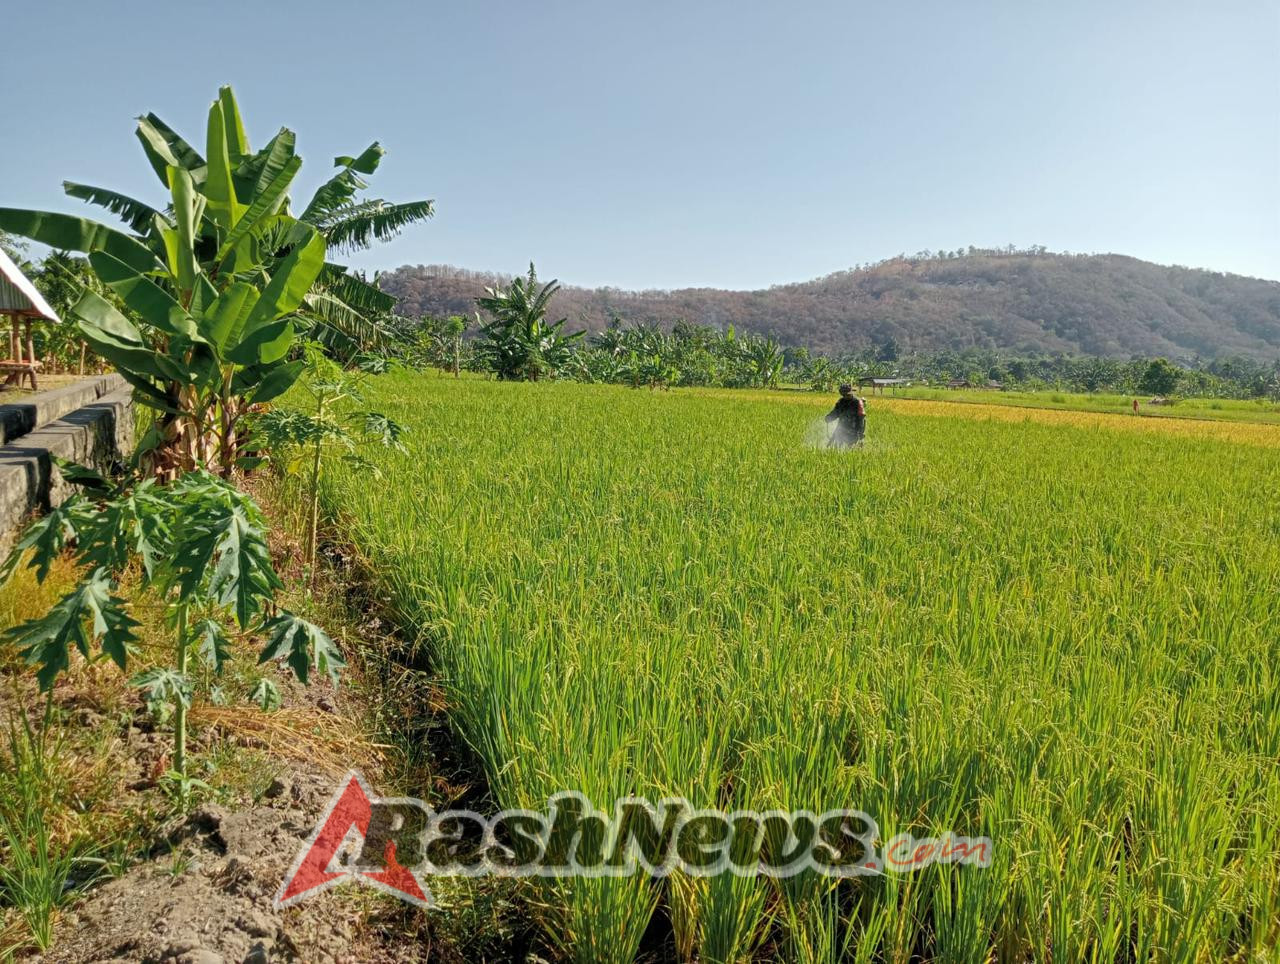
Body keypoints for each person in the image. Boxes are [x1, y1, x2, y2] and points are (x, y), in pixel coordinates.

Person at [825, 383, 866, 448]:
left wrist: (860, 432)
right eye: (844, 395)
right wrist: (829, 418)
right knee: (836, 446)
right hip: (841, 428)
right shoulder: (841, 402)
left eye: (847, 394)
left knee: (852, 448)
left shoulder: (857, 402)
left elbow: (861, 419)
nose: (846, 396)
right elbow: (836, 412)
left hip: (854, 430)